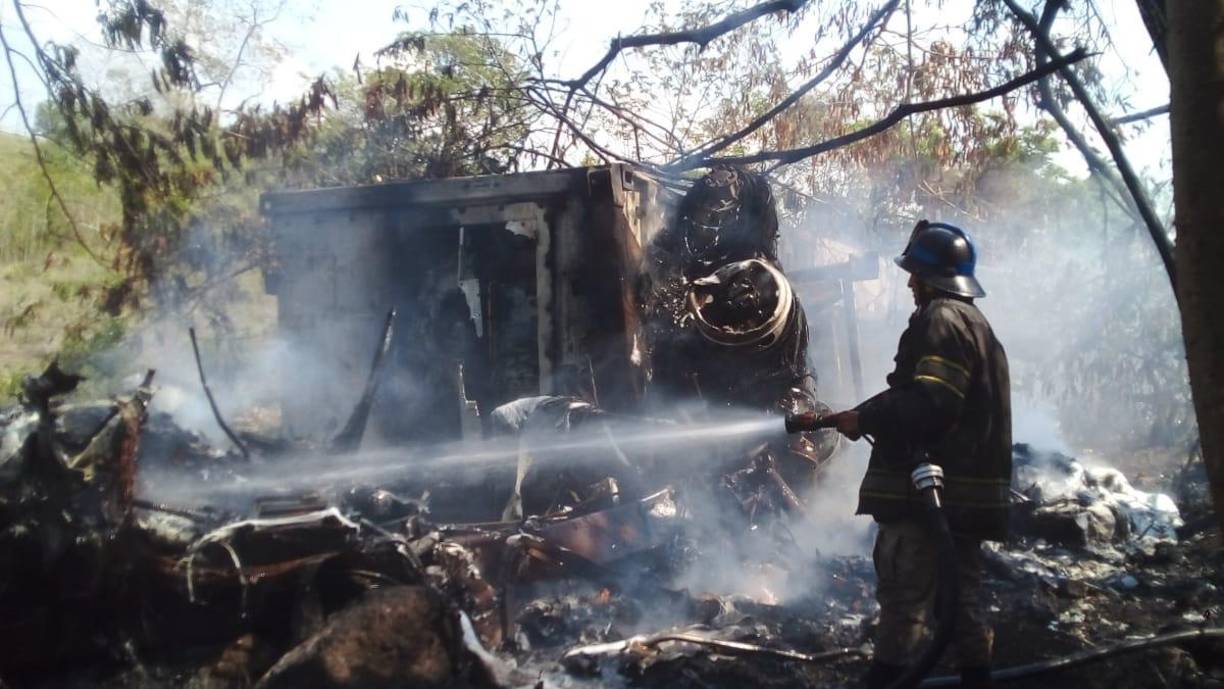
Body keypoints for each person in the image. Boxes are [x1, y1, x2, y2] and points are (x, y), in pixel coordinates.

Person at [826, 220, 1012, 689]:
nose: (910, 282)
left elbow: (932, 401)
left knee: (904, 599)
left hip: (926, 499)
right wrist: (864, 414)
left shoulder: (942, 318)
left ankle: (885, 681)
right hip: (960, 497)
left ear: (932, 277)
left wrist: (866, 418)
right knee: (961, 601)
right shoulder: (975, 324)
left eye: (915, 273)